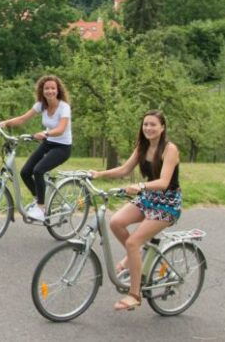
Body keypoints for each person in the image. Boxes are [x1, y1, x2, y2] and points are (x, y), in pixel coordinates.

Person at [89, 110, 181, 312]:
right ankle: (134, 257)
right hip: (148, 197)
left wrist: (140, 186)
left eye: (153, 124)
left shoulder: (169, 149)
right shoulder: (143, 146)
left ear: (162, 127)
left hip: (167, 203)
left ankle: (134, 294)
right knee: (116, 222)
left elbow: (165, 182)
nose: (148, 128)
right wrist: (98, 174)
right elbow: (124, 170)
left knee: (132, 242)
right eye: (145, 124)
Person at [0, 75, 72, 222]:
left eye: (53, 88)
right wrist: (5, 123)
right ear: (42, 90)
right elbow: (22, 118)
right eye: (46, 88)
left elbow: (61, 129)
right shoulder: (41, 105)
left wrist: (45, 133)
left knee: (38, 170)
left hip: (62, 147)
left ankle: (41, 208)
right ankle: (39, 199)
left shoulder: (64, 107)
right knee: (25, 172)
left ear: (58, 90)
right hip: (48, 142)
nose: (50, 91)